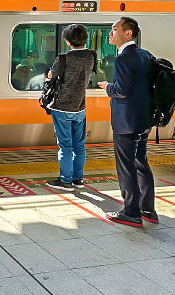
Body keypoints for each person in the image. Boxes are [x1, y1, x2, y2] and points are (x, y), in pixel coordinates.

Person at [98, 17, 157, 227]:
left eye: (114, 29)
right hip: (144, 120)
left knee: (126, 167)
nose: (110, 33)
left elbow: (121, 91)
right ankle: (148, 209)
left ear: (128, 33)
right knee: (141, 163)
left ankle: (131, 212)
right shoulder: (146, 55)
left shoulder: (123, 59)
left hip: (126, 122)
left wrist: (107, 87)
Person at [46, 24, 96, 192]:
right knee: (79, 145)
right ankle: (78, 179)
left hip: (61, 107)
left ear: (67, 41)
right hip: (80, 107)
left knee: (65, 146)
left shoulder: (63, 58)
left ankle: (66, 181)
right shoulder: (91, 55)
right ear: (85, 39)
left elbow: (51, 77)